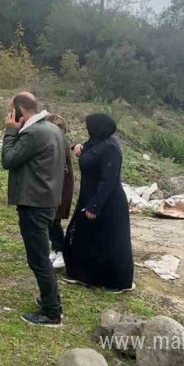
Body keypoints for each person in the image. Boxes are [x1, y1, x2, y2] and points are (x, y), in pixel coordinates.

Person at [1, 92, 65, 326]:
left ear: (19, 110)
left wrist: (10, 131)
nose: (9, 114)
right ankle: (51, 299)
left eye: (11, 109)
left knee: (38, 258)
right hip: (48, 199)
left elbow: (8, 160)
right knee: (41, 255)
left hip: (34, 203)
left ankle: (51, 312)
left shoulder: (32, 133)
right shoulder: (52, 128)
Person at [62, 114, 134, 293]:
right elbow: (88, 151)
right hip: (89, 197)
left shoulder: (111, 148)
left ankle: (116, 282)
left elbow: (108, 180)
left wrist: (95, 205)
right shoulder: (95, 142)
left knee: (110, 242)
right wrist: (76, 146)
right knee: (86, 236)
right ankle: (85, 276)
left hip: (107, 203)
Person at [45, 114, 75, 270]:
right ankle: (56, 249)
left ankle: (62, 251)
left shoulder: (60, 142)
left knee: (54, 219)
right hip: (55, 185)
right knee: (50, 219)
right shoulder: (57, 141)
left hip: (60, 186)